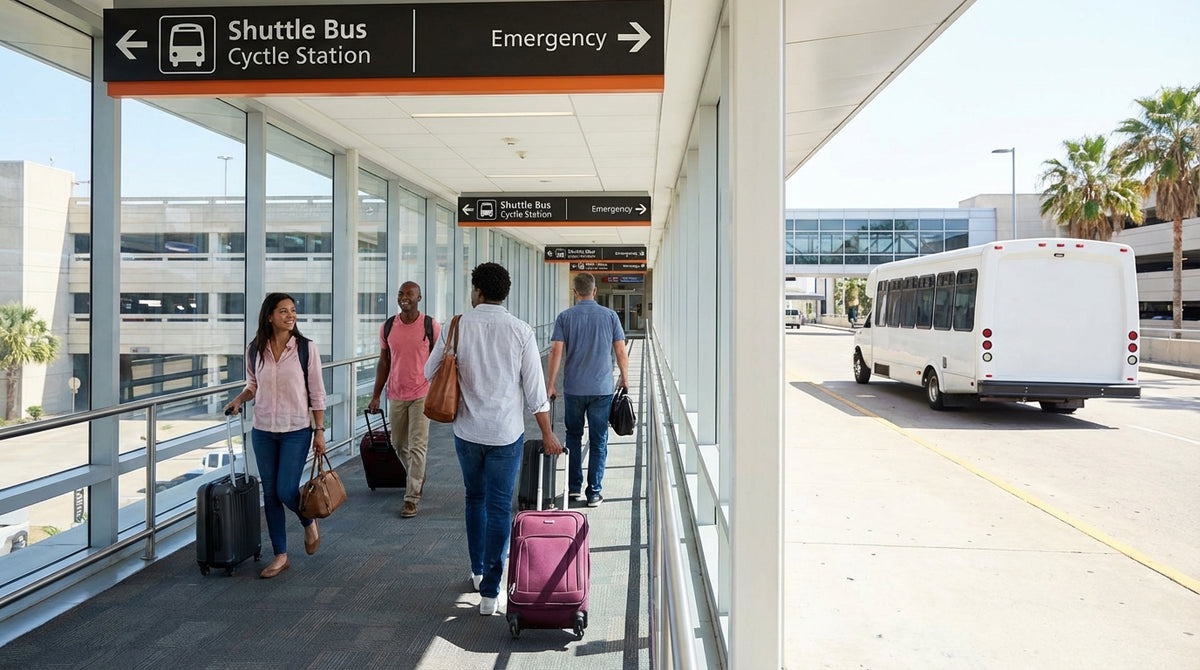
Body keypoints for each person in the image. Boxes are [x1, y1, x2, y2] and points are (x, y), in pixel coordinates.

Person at [425, 262, 562, 617]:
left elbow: (429, 372)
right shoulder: (520, 330)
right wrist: (547, 433)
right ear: (505, 294)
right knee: (500, 507)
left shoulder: (457, 326)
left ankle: (477, 571)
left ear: (478, 291)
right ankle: (490, 591)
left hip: (467, 432)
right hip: (505, 434)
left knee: (474, 499)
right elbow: (535, 391)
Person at [223, 292, 327, 579]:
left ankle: (307, 519)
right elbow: (253, 384)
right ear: (269, 316)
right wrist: (239, 399)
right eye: (283, 311)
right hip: (263, 431)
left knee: (285, 490)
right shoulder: (256, 348)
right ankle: (280, 555)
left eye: (292, 311)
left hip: (296, 430)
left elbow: (317, 393)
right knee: (270, 495)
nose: (290, 315)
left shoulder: (306, 348)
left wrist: (319, 431)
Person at [546, 272, 629, 508]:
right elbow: (621, 352)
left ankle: (573, 489)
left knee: (573, 437)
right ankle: (594, 493)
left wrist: (550, 383)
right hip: (602, 389)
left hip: (573, 388)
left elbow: (555, 352)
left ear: (575, 293)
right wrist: (625, 378)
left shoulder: (565, 317)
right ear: (595, 291)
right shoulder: (610, 316)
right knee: (598, 440)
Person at [367, 281, 441, 519]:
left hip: (422, 393)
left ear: (419, 297)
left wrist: (438, 390)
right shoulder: (388, 327)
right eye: (400, 293)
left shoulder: (431, 326)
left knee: (418, 445)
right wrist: (376, 394)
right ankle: (416, 475)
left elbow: (440, 360)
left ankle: (411, 498)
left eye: (409, 293)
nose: (404, 297)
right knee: (399, 444)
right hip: (396, 394)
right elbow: (384, 362)